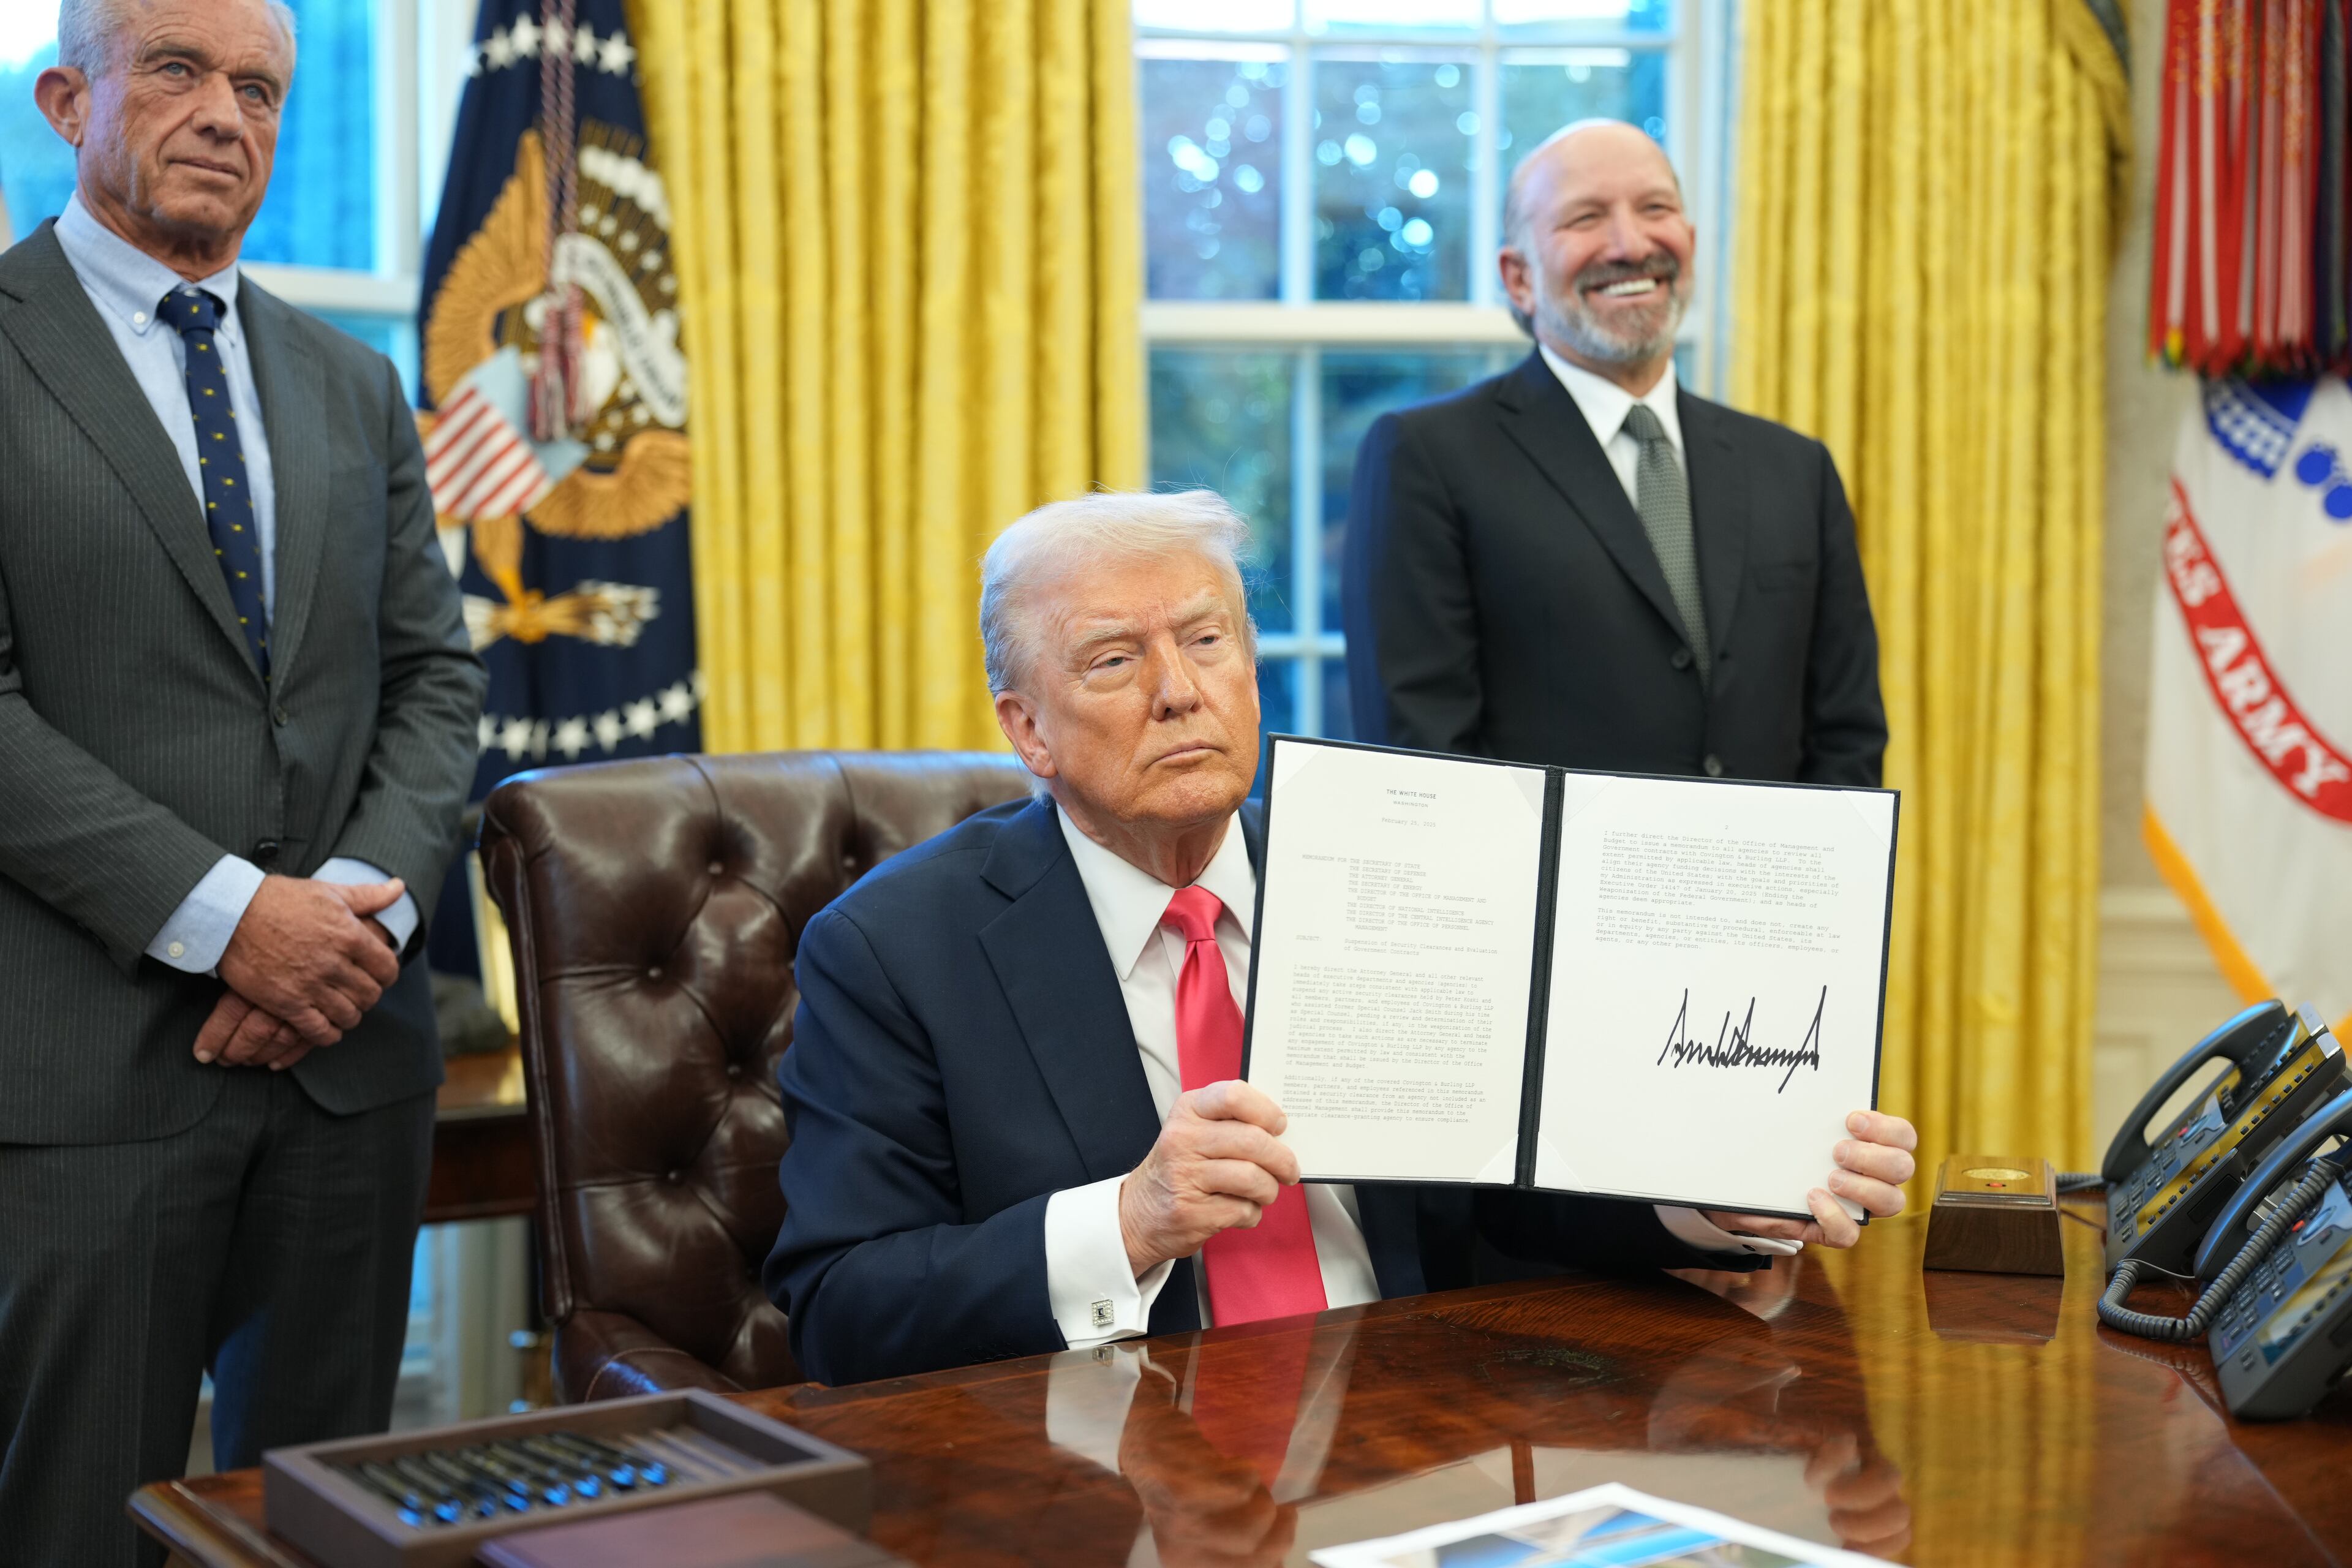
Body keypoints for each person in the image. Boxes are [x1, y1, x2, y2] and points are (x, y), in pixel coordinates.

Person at [764, 489, 1916, 1387]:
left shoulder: (1405, 867)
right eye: (1114, 659)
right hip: (1113, 1465)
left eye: (1207, 641)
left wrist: (1719, 1195)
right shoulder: (893, 949)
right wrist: (1130, 1220)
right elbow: (840, 1305)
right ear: (1028, 729)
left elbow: (1514, 1187)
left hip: (1424, 1429)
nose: (1180, 692)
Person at [0, 1, 485, 1559]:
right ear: (69, 99)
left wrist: (334, 928)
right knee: (78, 1521)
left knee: (329, 1523)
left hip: (348, 1061)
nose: (229, 114)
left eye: (262, 88)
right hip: (92, 1073)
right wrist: (229, 922)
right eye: (180, 71)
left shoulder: (354, 382)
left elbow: (434, 677)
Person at [1341, 119, 1887, 787]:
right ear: (1519, 278)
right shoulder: (1426, 460)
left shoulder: (1796, 471)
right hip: (1542, 893)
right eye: (1586, 218)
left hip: (1771, 887)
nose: (1631, 244)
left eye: (1655, 209)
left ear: (1688, 240)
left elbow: (1848, 737)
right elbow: (1425, 762)